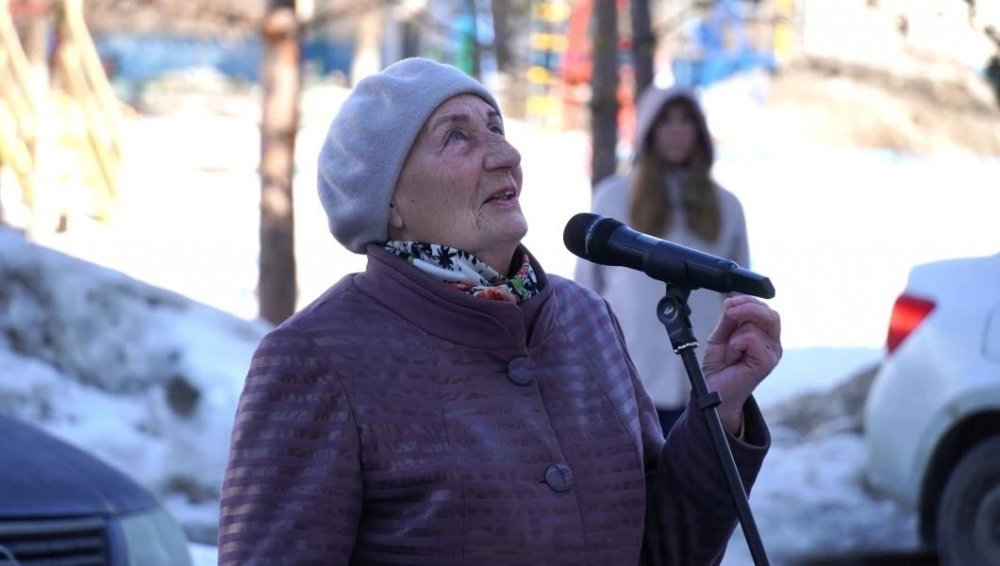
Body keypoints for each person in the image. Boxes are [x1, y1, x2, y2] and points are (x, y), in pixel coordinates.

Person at [218, 58, 781, 565]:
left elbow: (663, 549)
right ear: (387, 201)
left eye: (496, 128)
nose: (506, 155)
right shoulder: (317, 357)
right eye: (456, 137)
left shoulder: (585, 319)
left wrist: (722, 406)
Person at [575, 84, 751, 435]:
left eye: (686, 121)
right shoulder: (614, 198)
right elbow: (587, 289)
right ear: (648, 130)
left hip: (703, 379)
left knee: (696, 467)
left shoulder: (726, 206)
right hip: (629, 376)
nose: (676, 131)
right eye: (666, 121)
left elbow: (739, 293)